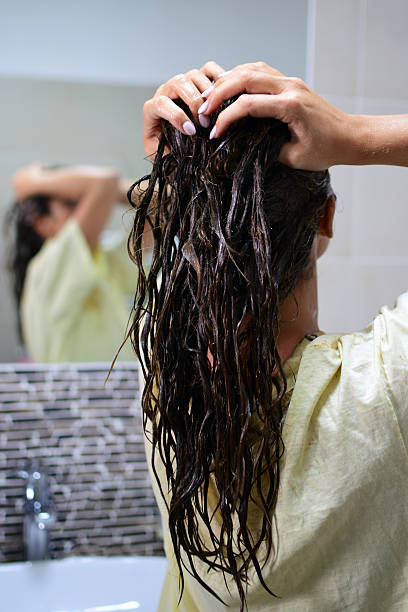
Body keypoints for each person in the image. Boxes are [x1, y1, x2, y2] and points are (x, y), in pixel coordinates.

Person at [130, 62, 408, 611]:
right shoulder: (385, 386)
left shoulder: (166, 369)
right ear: (325, 218)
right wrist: (355, 134)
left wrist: (181, 172)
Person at [7, 164, 150, 362]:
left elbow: (160, 200)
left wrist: (111, 192)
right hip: (82, 392)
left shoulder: (102, 259)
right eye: (71, 203)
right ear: (42, 224)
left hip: (111, 389)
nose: (86, 206)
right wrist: (32, 183)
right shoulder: (48, 268)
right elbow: (104, 182)